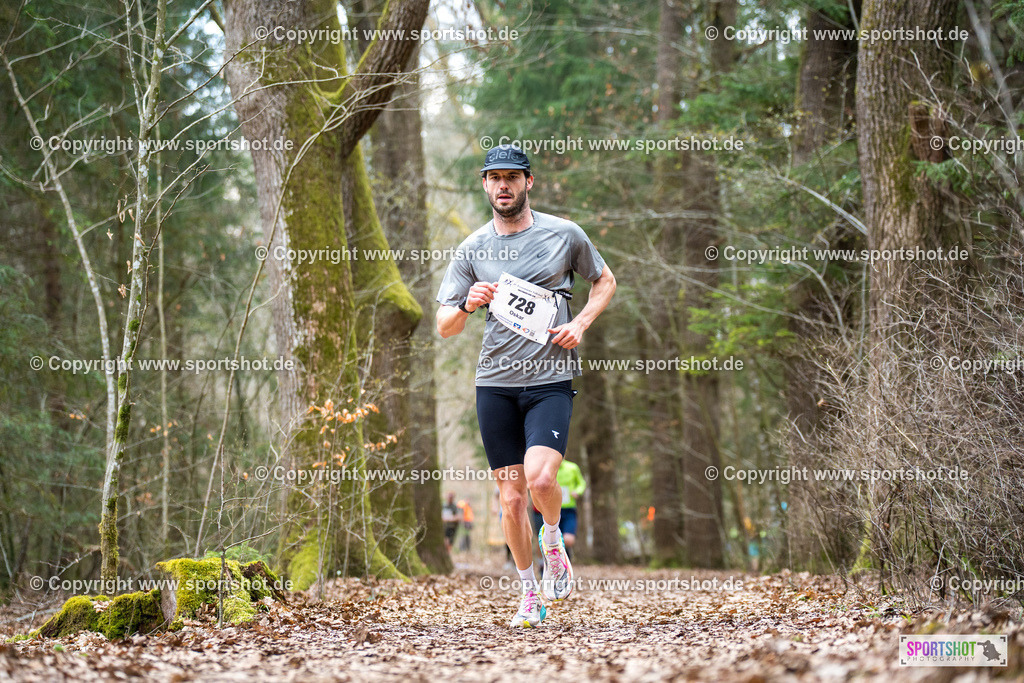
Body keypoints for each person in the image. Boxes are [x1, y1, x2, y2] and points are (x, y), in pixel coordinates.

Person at [436, 144, 616, 627]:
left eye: (512, 177)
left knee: (540, 481)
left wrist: (580, 323)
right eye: (494, 178)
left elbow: (604, 281)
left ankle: (552, 539)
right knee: (511, 498)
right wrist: (467, 304)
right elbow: (444, 325)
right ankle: (528, 593)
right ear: (484, 184)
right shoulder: (472, 248)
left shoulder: (564, 234)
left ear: (528, 182)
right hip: (494, 383)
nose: (503, 185)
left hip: (549, 380)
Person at [532, 458, 586, 560]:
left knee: (568, 539)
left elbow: (581, 483)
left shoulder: (572, 467)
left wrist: (577, 491)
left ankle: (565, 554)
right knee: (552, 540)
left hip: (569, 509)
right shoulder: (545, 469)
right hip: (552, 510)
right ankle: (557, 561)